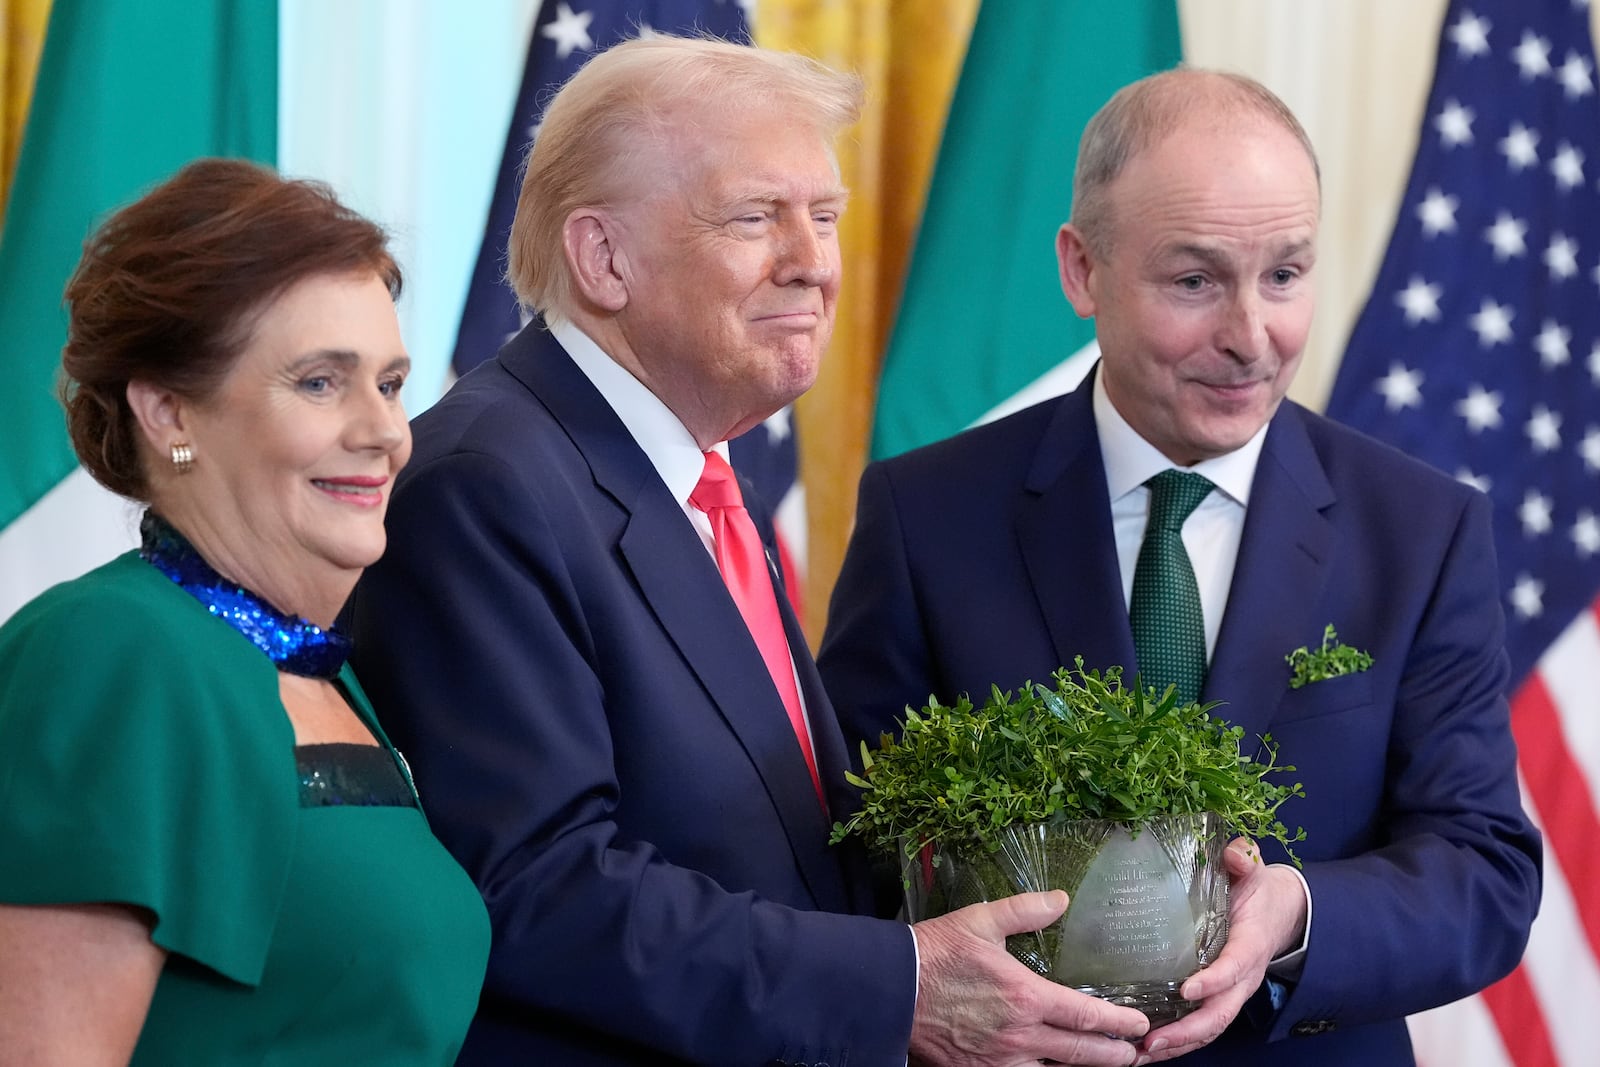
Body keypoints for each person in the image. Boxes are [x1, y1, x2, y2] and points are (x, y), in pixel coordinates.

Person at [348, 34, 1151, 1067]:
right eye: (755, 216)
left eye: (821, 216)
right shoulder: (487, 481)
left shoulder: (694, 476)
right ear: (603, 258)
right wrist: (898, 984)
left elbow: (770, 845)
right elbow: (536, 885)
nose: (813, 260)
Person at [819, 68, 1542, 1066]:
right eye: (1195, 281)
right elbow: (850, 842)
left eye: (1284, 275)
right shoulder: (925, 513)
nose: (1250, 336)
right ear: (1082, 270)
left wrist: (1296, 911)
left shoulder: (1421, 529)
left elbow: (1482, 868)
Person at [0, 159, 490, 1065]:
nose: (385, 431)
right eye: (319, 382)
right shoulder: (113, 651)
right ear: (168, 410)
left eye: (388, 383)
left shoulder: (322, 674)